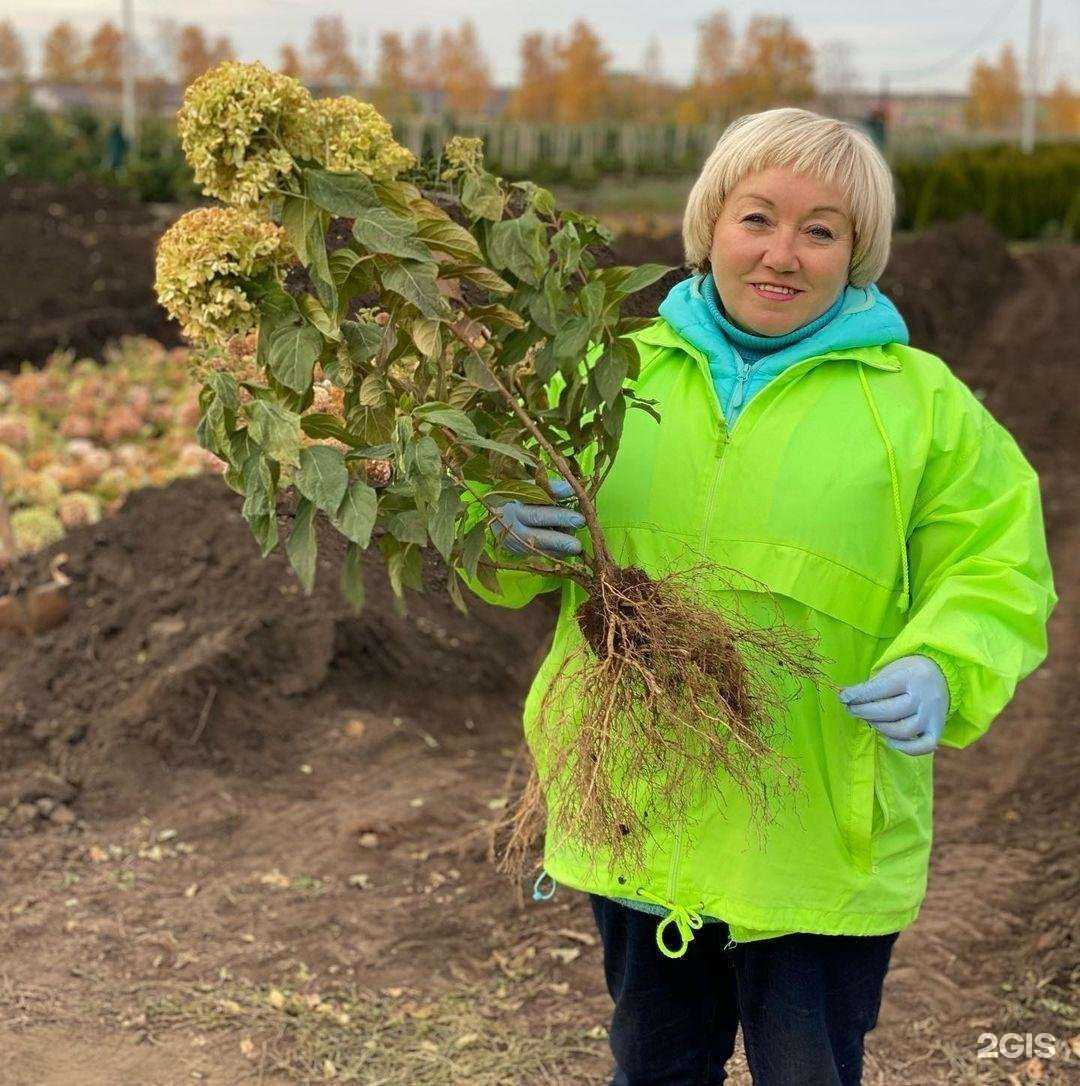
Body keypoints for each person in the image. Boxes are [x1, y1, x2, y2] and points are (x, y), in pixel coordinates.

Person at [458, 107, 1056, 1084]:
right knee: (654, 1065)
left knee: (808, 1068)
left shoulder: (920, 405)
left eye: (822, 230)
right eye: (757, 219)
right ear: (709, 226)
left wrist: (943, 661)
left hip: (816, 814)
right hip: (649, 805)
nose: (784, 254)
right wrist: (498, 527)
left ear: (857, 253)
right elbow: (526, 546)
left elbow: (997, 562)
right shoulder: (609, 376)